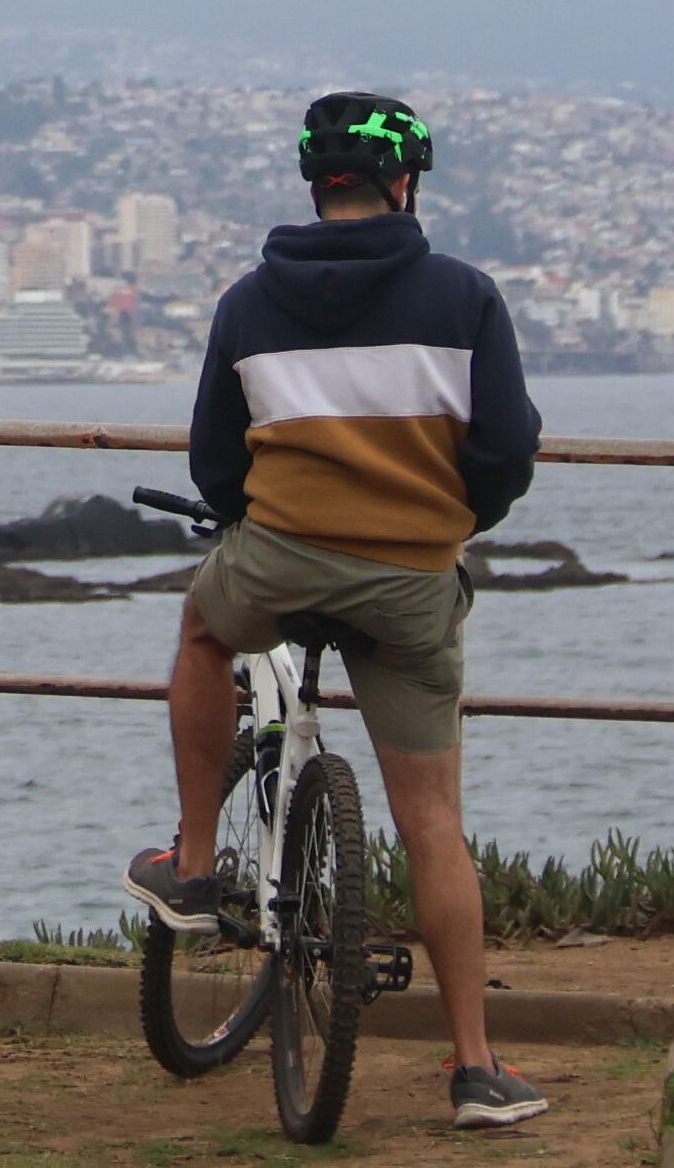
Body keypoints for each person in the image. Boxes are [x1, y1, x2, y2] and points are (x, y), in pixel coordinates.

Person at [124, 90, 551, 1131]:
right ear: (405, 183)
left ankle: (193, 866)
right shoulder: (465, 297)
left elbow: (215, 462)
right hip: (410, 580)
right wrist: (446, 520)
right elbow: (506, 454)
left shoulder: (248, 302)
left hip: (279, 560)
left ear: (318, 186)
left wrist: (263, 522)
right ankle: (476, 1068)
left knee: (202, 632)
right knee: (434, 821)